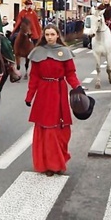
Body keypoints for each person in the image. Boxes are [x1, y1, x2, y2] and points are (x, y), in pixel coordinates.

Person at [24, 24, 82, 176]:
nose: (49, 37)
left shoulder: (65, 52)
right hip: (43, 93)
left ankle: (58, 161)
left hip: (59, 91)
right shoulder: (37, 53)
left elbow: (71, 74)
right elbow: (34, 77)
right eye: (47, 34)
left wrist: (78, 87)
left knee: (60, 129)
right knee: (46, 128)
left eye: (52, 34)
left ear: (57, 35)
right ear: (44, 36)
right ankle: (48, 164)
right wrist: (30, 96)